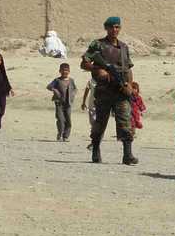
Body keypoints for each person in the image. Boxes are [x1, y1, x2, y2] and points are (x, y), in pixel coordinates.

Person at [80, 16, 138, 165]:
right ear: (106, 28)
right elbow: (84, 63)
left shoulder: (124, 47)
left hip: (120, 92)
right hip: (104, 91)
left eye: (117, 27)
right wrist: (98, 70)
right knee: (100, 123)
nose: (115, 30)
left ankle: (127, 154)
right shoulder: (98, 45)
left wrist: (129, 86)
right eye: (112, 27)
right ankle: (95, 151)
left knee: (125, 122)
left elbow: (128, 69)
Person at [46, 62, 77, 141]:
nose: (65, 72)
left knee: (68, 120)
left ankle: (65, 136)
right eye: (63, 70)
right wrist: (54, 89)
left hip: (68, 103)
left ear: (69, 71)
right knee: (60, 119)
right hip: (59, 103)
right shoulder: (57, 80)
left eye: (66, 70)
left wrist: (73, 94)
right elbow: (49, 86)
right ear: (60, 71)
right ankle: (60, 134)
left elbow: (75, 89)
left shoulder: (71, 80)